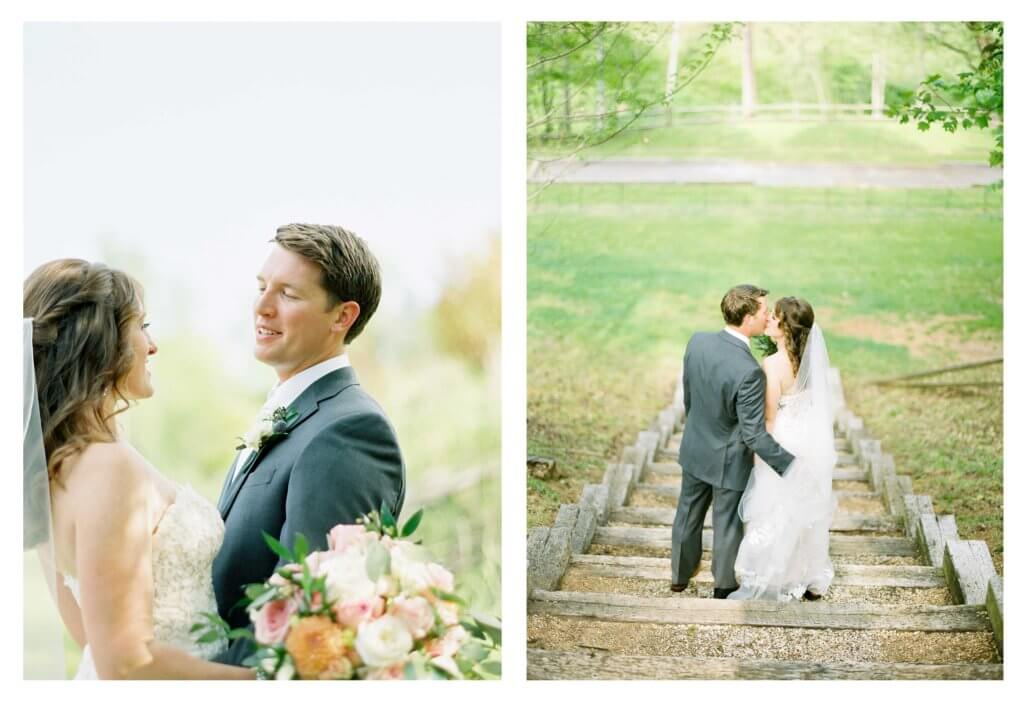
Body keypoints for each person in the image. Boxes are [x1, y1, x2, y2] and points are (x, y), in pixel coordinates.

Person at [23, 259, 254, 679]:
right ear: (100, 342)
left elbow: (91, 637)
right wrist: (261, 681)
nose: (152, 345)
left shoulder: (49, 472)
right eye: (141, 325)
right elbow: (124, 663)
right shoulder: (110, 467)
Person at [212, 223, 406, 666]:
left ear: (342, 317)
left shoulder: (350, 433)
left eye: (288, 294)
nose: (262, 307)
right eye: (262, 287)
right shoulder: (290, 412)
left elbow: (306, 624)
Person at [670, 284, 795, 599]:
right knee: (726, 522)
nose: (768, 317)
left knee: (687, 513)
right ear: (748, 319)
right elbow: (753, 434)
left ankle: (679, 577)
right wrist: (790, 465)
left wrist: (697, 429)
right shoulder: (749, 371)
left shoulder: (697, 342)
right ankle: (723, 585)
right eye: (764, 312)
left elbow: (690, 397)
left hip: (695, 446)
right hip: (728, 459)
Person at [728, 297, 837, 601]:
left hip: (784, 440)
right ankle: (807, 576)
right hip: (809, 440)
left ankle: (771, 575)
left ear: (786, 327)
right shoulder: (811, 362)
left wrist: (760, 453)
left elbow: (770, 417)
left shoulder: (773, 364)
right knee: (804, 511)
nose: (770, 322)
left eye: (775, 318)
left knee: (774, 507)